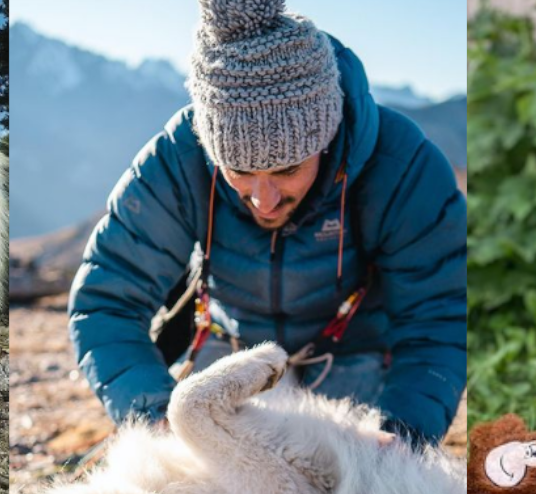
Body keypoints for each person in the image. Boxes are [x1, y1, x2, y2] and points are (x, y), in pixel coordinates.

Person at [68, 0, 466, 446]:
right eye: (237, 171)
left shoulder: (403, 167)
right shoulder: (177, 162)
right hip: (234, 351)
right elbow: (106, 302)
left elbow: (440, 315)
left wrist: (405, 432)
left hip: (353, 355)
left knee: (349, 484)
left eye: (286, 169)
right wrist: (153, 416)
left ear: (327, 136)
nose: (264, 199)